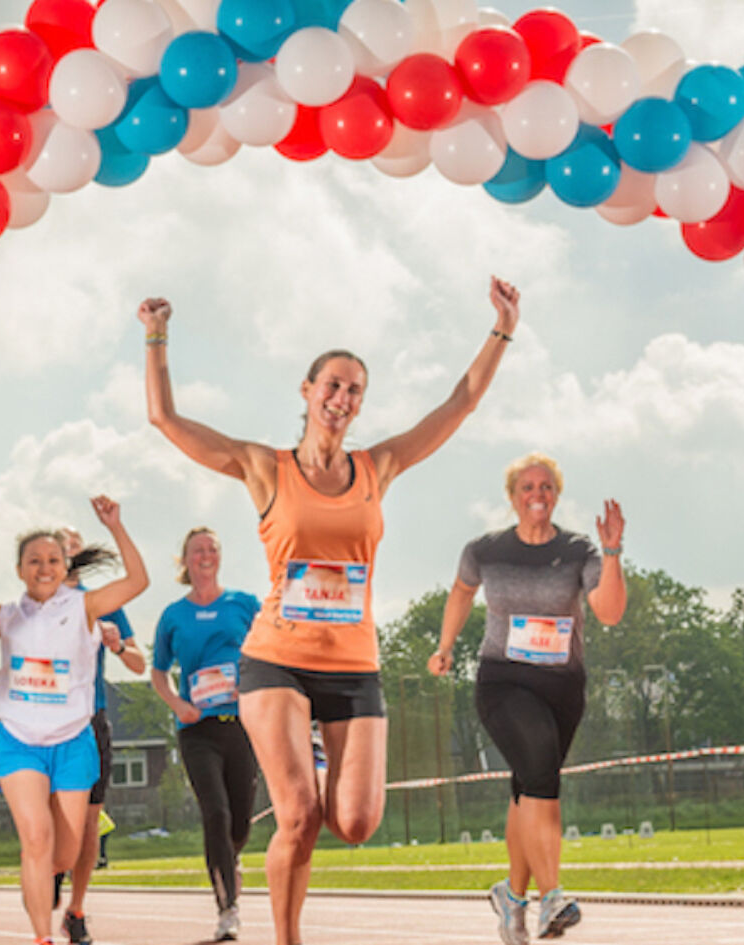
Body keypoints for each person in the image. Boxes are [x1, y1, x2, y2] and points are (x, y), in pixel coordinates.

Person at [139, 276, 521, 945]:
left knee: (358, 821)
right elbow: (167, 421)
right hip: (275, 660)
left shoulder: (380, 466)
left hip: (353, 666)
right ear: (307, 391)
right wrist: (156, 337)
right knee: (298, 817)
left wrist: (503, 328)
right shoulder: (265, 467)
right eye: (332, 385)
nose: (342, 399)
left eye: (354, 391)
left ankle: (311, 764)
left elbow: (458, 405)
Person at [0, 496, 148, 945]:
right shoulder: (5, 615)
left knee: (63, 853)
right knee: (35, 839)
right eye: (33, 560)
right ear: (20, 569)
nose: (43, 567)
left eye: (52, 559)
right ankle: (41, 937)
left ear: (66, 564)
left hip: (72, 741)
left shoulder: (88, 606)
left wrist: (116, 526)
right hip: (19, 741)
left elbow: (139, 581)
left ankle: (49, 883)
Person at [428, 453, 626, 944]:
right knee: (541, 774)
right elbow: (460, 592)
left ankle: (512, 897)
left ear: (556, 494)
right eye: (528, 487)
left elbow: (609, 611)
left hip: (562, 688)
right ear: (513, 496)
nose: (537, 495)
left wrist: (614, 551)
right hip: (504, 681)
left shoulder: (579, 550)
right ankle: (552, 895)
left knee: (529, 789)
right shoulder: (486, 549)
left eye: (546, 487)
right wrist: (445, 645)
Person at [150, 527, 262, 941]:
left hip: (243, 724)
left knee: (238, 824)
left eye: (212, 548)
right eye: (198, 550)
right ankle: (227, 908)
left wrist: (249, 680)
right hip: (197, 730)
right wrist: (178, 705)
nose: (206, 555)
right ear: (185, 560)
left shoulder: (244, 604)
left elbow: (271, 646)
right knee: (214, 813)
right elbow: (158, 672)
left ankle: (229, 861)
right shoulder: (173, 616)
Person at [52, 525, 146, 945]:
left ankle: (76, 911)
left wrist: (118, 645)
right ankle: (54, 866)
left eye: (73, 545)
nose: (68, 553)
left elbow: (140, 664)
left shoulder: (105, 602)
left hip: (92, 719)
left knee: (90, 822)